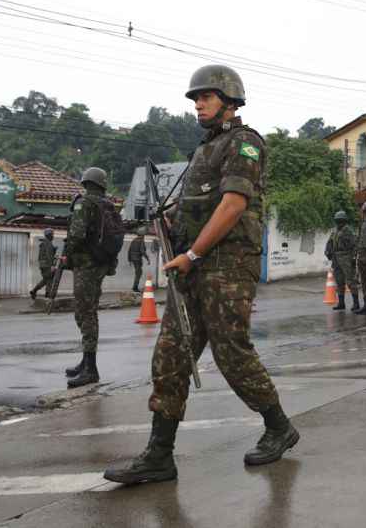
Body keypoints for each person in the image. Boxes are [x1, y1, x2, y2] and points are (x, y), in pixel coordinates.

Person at [104, 64, 298, 485]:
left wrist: (191, 252)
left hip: (226, 266)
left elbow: (232, 206)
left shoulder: (244, 143)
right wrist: (172, 219)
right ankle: (159, 455)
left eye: (206, 97)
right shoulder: (204, 150)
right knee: (170, 357)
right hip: (192, 267)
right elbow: (200, 204)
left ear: (229, 101)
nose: (198, 104)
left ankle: (279, 426)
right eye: (195, 98)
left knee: (232, 353)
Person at [63, 167, 114, 389]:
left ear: (86, 183)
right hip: (100, 264)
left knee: (85, 312)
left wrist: (68, 256)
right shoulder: (107, 204)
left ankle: (90, 369)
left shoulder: (84, 204)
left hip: (86, 266)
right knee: (86, 310)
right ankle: (86, 361)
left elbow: (76, 234)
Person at [325, 210, 359, 311]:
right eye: (337, 221)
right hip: (336, 257)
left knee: (350, 281)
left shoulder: (348, 231)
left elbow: (355, 245)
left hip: (346, 257)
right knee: (339, 281)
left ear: (344, 221)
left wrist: (353, 257)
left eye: (341, 221)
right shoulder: (334, 231)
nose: (339, 223)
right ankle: (341, 303)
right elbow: (330, 242)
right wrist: (327, 251)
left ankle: (356, 303)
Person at [30, 228, 56, 299]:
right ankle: (48, 296)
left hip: (43, 265)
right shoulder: (48, 243)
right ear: (49, 235)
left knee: (45, 280)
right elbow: (49, 256)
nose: (53, 236)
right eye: (52, 234)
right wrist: (52, 266)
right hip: (47, 265)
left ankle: (34, 291)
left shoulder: (44, 243)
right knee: (50, 279)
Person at [128, 227, 151, 292]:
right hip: (138, 259)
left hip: (133, 259)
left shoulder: (134, 240)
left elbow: (129, 250)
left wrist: (129, 259)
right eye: (144, 234)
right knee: (138, 273)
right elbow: (142, 251)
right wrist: (147, 259)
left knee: (138, 273)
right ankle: (135, 287)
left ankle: (135, 287)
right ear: (142, 235)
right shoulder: (141, 241)